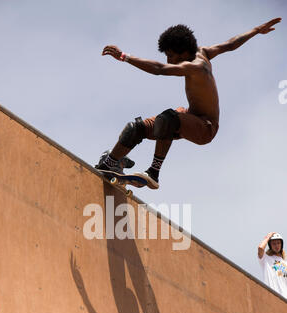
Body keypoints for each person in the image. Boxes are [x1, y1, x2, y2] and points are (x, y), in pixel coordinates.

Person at [96, 18, 281, 189]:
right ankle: (110, 164)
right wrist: (256, 30)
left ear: (184, 53)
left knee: (167, 119)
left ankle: (153, 173)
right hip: (190, 116)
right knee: (136, 128)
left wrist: (124, 57)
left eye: (170, 55)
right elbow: (231, 44)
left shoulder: (196, 66)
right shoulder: (204, 51)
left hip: (205, 127)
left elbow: (160, 69)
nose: (168, 60)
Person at [258, 232, 287, 299]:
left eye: (278, 243)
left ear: (281, 244)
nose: (276, 245)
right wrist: (268, 237)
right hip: (272, 297)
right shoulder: (266, 259)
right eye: (274, 243)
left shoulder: (285, 263)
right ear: (270, 246)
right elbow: (260, 248)